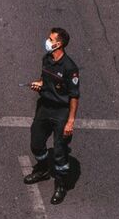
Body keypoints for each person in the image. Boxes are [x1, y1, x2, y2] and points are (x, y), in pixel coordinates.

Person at [24, 28, 80, 205]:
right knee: (36, 143)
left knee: (59, 152)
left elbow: (74, 96)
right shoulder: (46, 59)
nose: (47, 41)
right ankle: (42, 169)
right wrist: (39, 85)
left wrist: (70, 121)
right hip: (44, 107)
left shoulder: (70, 68)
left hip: (61, 112)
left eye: (50, 38)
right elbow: (44, 80)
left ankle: (61, 185)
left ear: (59, 44)